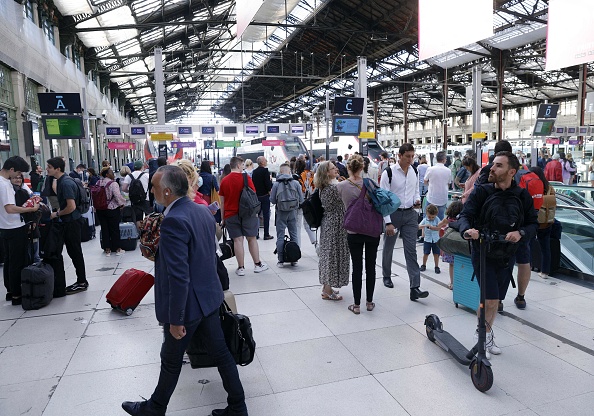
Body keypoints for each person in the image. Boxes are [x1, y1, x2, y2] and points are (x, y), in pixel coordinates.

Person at [122, 165, 247, 416]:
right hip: (209, 299)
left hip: (188, 306)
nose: (152, 191)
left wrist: (176, 319)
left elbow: (178, 276)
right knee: (221, 354)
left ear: (167, 191)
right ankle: (238, 406)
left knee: (170, 360)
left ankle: (154, 409)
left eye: (154, 187)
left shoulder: (173, 222)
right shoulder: (201, 211)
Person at [458, 151, 538, 358]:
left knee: (495, 300)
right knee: (491, 300)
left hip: (507, 255)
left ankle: (486, 333)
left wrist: (520, 233)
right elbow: (465, 215)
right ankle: (482, 338)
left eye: (498, 166)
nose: (491, 168)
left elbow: (532, 224)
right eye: (493, 164)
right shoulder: (481, 192)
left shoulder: (522, 196)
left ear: (512, 171)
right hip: (483, 252)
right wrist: (468, 230)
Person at [381, 143, 429, 300]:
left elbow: (415, 189)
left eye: (412, 156)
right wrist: (388, 222)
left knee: (411, 250)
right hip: (393, 214)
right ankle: (386, 274)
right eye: (407, 156)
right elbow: (383, 200)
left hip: (410, 215)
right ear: (399, 156)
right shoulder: (388, 173)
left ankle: (414, 287)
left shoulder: (414, 170)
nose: (410, 159)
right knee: (389, 247)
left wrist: (416, 200)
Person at [336, 155, 380, 314]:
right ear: (362, 168)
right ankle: (369, 302)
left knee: (357, 267)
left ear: (348, 167)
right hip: (371, 230)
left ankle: (356, 305)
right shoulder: (371, 184)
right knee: (371, 267)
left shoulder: (341, 186)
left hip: (353, 230)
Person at [219, 157, 269, 276]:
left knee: (238, 240)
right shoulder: (246, 178)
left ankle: (241, 268)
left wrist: (223, 218)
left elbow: (222, 202)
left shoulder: (224, 181)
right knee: (251, 238)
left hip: (231, 214)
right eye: (242, 165)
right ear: (238, 165)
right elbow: (253, 194)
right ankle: (257, 265)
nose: (243, 167)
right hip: (248, 213)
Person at [46, 157, 89, 295]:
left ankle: (82, 281)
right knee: (74, 251)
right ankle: (81, 280)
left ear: (57, 169)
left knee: (75, 251)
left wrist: (57, 214)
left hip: (71, 221)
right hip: (72, 221)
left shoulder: (65, 183)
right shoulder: (64, 181)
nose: (47, 169)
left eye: (49, 167)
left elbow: (71, 206)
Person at [0, 157, 39, 305]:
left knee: (9, 261)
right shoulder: (4, 184)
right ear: (11, 169)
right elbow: (10, 208)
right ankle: (17, 294)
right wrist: (30, 209)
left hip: (4, 227)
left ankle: (11, 291)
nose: (17, 177)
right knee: (17, 262)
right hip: (14, 226)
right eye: (17, 173)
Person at [315, 161, 349, 300]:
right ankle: (328, 290)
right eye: (332, 168)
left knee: (329, 255)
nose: (336, 169)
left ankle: (326, 287)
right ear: (326, 172)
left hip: (330, 224)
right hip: (335, 225)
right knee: (332, 256)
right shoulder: (332, 188)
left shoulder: (326, 186)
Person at [270, 163, 303, 267]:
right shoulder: (296, 183)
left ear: (280, 172)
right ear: (290, 172)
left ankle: (280, 260)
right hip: (293, 212)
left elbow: (273, 200)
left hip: (281, 213)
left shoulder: (276, 184)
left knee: (280, 236)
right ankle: (294, 259)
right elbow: (301, 199)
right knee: (294, 234)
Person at [96, 167, 125, 257]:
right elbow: (117, 196)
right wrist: (122, 203)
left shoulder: (98, 182)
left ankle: (107, 249)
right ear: (107, 174)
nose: (113, 174)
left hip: (100, 209)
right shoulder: (113, 183)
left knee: (104, 229)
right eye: (111, 172)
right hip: (112, 209)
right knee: (114, 229)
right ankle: (117, 249)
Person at [436, 201, 464, 290]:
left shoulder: (447, 219)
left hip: (449, 246)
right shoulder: (461, 221)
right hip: (459, 245)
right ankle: (461, 282)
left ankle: (452, 283)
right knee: (461, 264)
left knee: (451, 265)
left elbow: (438, 226)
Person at [293, 158, 317, 248]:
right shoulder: (310, 175)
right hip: (309, 201)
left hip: (299, 203)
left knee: (297, 226)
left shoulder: (295, 177)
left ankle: (298, 247)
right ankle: (315, 243)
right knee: (308, 224)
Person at [122, 160, 151, 228]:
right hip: (146, 198)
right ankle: (146, 232)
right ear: (142, 167)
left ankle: (139, 232)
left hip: (135, 199)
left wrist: (131, 191)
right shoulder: (147, 175)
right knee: (148, 217)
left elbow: (123, 188)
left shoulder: (129, 176)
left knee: (138, 218)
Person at [423, 151, 451, 220]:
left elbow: (425, 181)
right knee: (440, 219)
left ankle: (426, 230)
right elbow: (449, 183)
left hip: (431, 197)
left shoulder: (430, 169)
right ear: (444, 159)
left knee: (427, 217)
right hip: (443, 198)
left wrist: (430, 184)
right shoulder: (448, 170)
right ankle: (437, 230)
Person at [251, 156, 273, 240]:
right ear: (262, 162)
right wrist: (269, 188)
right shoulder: (265, 171)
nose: (266, 161)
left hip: (257, 197)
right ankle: (266, 234)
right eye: (265, 160)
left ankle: (256, 233)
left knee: (256, 215)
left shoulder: (254, 172)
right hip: (264, 196)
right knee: (266, 215)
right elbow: (268, 185)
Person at [418, 204, 441, 274]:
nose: (431, 218)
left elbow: (439, 227)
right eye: (429, 216)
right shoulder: (425, 219)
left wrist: (433, 227)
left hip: (435, 240)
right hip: (427, 239)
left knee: (436, 254)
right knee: (426, 253)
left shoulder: (437, 219)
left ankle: (436, 266)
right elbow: (419, 226)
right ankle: (424, 265)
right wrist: (425, 226)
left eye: (432, 217)